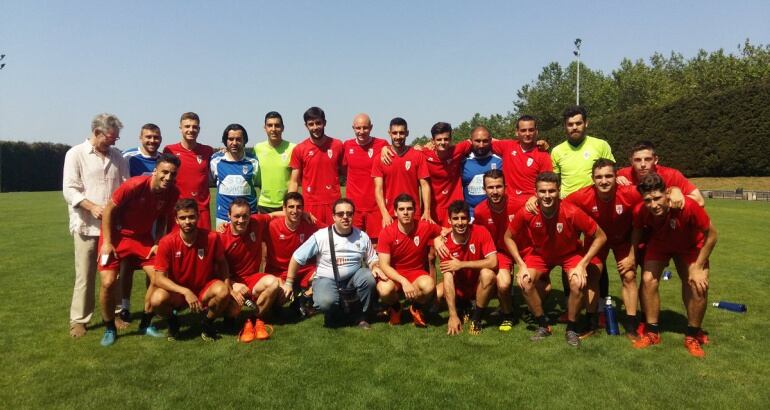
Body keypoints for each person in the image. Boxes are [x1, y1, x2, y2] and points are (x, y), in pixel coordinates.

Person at [504, 172, 607, 347]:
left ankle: (571, 328)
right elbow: (508, 237)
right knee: (524, 281)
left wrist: (583, 264)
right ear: (535, 193)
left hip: (570, 254)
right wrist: (521, 264)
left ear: (558, 191)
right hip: (540, 255)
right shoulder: (528, 212)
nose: (547, 195)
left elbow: (601, 236)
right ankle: (543, 325)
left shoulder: (571, 211)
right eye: (542, 191)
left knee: (578, 283)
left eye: (551, 191)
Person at [96, 153, 180, 345]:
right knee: (108, 283)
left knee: (157, 277)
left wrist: (158, 241)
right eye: (164, 172)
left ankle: (145, 322)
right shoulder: (134, 185)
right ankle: (109, 328)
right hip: (116, 237)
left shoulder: (172, 193)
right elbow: (109, 210)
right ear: (155, 170)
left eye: (172, 174)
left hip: (142, 239)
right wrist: (107, 243)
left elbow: (163, 218)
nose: (168, 178)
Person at [632, 173, 717, 357]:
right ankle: (652, 332)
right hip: (661, 243)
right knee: (647, 279)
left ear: (667, 194)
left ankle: (692, 336)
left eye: (657, 198)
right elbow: (637, 232)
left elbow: (712, 235)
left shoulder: (688, 206)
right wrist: (631, 256)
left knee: (697, 285)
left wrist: (698, 266)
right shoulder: (641, 210)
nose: (653, 205)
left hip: (690, 246)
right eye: (648, 200)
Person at [62, 113, 129, 338]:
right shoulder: (76, 154)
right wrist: (91, 207)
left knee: (113, 276)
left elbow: (126, 187)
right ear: (97, 132)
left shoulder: (118, 157)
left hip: (113, 229)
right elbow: (70, 189)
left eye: (116, 138)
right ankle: (79, 320)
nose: (114, 142)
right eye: (111, 137)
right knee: (86, 274)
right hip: (86, 226)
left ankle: (115, 314)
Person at [565, 159, 643, 338]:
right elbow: (561, 205)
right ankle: (591, 323)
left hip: (623, 239)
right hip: (596, 241)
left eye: (609, 176)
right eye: (599, 177)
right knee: (591, 277)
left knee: (629, 276)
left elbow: (657, 194)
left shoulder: (630, 193)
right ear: (592, 179)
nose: (604, 181)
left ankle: (631, 326)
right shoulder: (582, 195)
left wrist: (676, 191)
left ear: (617, 177)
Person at [281, 199, 384, 329]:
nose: (345, 217)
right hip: (326, 279)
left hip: (353, 280)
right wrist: (289, 283)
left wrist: (374, 266)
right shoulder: (321, 236)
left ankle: (361, 316)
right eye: (340, 214)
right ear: (333, 217)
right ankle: (334, 314)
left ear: (353, 215)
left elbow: (372, 258)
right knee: (326, 301)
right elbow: (297, 257)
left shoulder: (362, 236)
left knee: (368, 277)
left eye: (349, 214)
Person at [149, 199, 236, 341]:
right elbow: (159, 278)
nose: (187, 221)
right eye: (182, 218)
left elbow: (222, 262)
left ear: (198, 217)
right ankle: (173, 322)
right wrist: (185, 291)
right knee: (156, 299)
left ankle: (207, 323)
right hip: (178, 292)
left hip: (204, 288)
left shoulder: (211, 237)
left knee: (223, 291)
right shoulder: (166, 242)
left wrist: (227, 285)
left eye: (191, 217)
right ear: (176, 220)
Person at [117, 123, 163, 322]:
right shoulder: (128, 157)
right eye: (148, 137)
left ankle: (150, 307)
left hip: (154, 220)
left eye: (156, 137)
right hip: (131, 221)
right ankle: (124, 307)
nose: (152, 140)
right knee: (126, 264)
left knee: (153, 263)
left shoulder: (163, 159)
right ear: (140, 137)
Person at [217, 198, 280, 342]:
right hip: (231, 281)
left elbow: (274, 215)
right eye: (237, 216)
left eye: (245, 216)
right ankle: (231, 318)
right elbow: (214, 271)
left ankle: (253, 320)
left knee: (273, 283)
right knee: (235, 308)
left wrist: (303, 214)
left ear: (250, 215)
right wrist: (232, 286)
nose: (241, 220)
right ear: (228, 216)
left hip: (252, 278)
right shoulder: (220, 237)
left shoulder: (256, 222)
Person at [376, 194, 443, 327]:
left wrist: (439, 240)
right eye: (401, 209)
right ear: (395, 212)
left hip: (416, 272)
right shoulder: (387, 232)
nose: (406, 212)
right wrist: (403, 281)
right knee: (384, 289)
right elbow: (384, 265)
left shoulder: (425, 226)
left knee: (429, 285)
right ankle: (396, 308)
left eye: (409, 209)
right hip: (395, 274)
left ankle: (415, 308)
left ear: (415, 211)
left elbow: (444, 231)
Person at [435, 201, 498, 335]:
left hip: (477, 285)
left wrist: (462, 264)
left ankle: (476, 318)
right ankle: (461, 308)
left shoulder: (481, 231)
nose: (460, 222)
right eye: (456, 218)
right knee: (437, 294)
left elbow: (493, 262)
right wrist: (452, 316)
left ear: (469, 219)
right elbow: (447, 276)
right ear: (449, 220)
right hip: (459, 288)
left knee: (488, 274)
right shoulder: (444, 244)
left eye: (463, 218)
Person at [472, 170, 519, 331]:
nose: (495, 191)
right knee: (504, 283)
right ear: (484, 189)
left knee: (541, 288)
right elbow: (478, 236)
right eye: (490, 187)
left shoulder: (518, 204)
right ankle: (507, 314)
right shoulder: (479, 211)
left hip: (520, 250)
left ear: (505, 187)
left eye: (498, 186)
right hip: (497, 252)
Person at [264, 192, 321, 317]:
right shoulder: (271, 226)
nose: (295, 210)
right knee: (280, 297)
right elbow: (248, 222)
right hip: (279, 273)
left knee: (325, 275)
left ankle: (303, 298)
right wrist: (226, 226)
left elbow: (331, 231)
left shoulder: (310, 224)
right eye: (291, 207)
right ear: (284, 208)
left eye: (299, 207)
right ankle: (286, 300)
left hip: (304, 270)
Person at [288, 107, 344, 226]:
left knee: (335, 241)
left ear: (324, 123)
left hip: (334, 203)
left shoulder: (337, 145)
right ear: (306, 126)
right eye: (311, 124)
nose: (315, 127)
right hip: (310, 204)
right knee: (314, 241)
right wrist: (290, 206)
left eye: (318, 123)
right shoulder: (299, 149)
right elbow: (293, 181)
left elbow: (349, 174)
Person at [373, 117, 432, 227]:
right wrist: (384, 213)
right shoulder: (379, 158)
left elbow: (424, 185)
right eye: (395, 133)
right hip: (390, 215)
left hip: (413, 213)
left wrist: (427, 211)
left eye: (401, 133)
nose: (398, 136)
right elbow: (378, 189)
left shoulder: (417, 156)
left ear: (407, 133)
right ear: (389, 133)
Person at [342, 113, 389, 241]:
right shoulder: (347, 146)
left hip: (375, 206)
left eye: (365, 128)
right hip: (354, 206)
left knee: (376, 244)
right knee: (352, 243)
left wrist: (420, 147)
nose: (361, 131)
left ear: (371, 127)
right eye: (358, 128)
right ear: (353, 128)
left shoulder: (382, 144)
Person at [164, 112, 215, 229]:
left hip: (201, 210)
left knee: (204, 245)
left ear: (199, 129)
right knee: (177, 245)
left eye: (194, 127)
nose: (191, 130)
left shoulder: (207, 151)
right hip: (177, 209)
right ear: (180, 128)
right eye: (187, 126)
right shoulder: (169, 150)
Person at [490, 115, 553, 211]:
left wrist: (536, 197)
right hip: (508, 205)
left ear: (536, 131)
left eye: (531, 130)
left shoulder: (543, 155)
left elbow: (548, 183)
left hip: (531, 206)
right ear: (517, 132)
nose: (527, 134)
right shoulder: (507, 146)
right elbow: (484, 140)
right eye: (523, 130)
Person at [550, 106, 615, 198]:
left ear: (586, 123)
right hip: (568, 203)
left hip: (594, 201)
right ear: (564, 126)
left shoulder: (601, 145)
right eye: (570, 124)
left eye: (578, 123)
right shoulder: (556, 151)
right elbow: (555, 182)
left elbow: (612, 173)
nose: (574, 127)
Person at [616, 140, 705, 207]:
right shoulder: (623, 174)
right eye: (638, 160)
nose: (643, 164)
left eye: (648, 159)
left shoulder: (671, 175)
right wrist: (616, 179)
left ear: (656, 160)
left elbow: (700, 200)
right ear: (631, 161)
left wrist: (671, 196)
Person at [210, 124, 259, 226]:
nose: (234, 143)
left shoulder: (253, 161)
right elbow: (213, 180)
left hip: (248, 217)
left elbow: (257, 182)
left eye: (238, 139)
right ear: (225, 141)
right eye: (231, 139)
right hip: (224, 218)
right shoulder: (215, 160)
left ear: (244, 141)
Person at [254, 111, 295, 213]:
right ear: (265, 128)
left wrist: (289, 203)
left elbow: (296, 179)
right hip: (263, 205)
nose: (273, 129)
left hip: (285, 205)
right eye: (270, 125)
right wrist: (225, 150)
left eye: (277, 125)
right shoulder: (257, 148)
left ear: (282, 128)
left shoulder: (293, 148)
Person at [461, 126, 502, 219]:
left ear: (491, 140)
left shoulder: (500, 160)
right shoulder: (462, 161)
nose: (481, 145)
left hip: (495, 214)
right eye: (477, 141)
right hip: (471, 216)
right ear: (471, 141)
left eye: (485, 141)